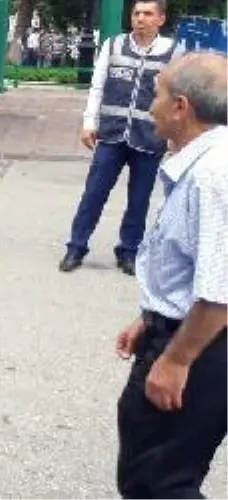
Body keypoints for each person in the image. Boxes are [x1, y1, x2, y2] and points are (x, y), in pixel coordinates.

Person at [113, 53, 228, 498]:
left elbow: (220, 290)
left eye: (157, 95)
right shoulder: (206, 160)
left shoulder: (213, 176)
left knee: (161, 483)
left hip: (203, 347)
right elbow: (194, 262)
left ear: (182, 107)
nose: (150, 105)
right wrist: (152, 316)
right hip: (186, 331)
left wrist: (178, 359)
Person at [60, 0, 185, 276]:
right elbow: (98, 85)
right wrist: (89, 122)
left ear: (161, 19)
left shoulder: (173, 52)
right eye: (137, 13)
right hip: (112, 135)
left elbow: (178, 96)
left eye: (148, 14)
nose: (140, 18)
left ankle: (129, 251)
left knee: (139, 200)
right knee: (94, 193)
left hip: (150, 137)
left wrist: (175, 134)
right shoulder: (114, 45)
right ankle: (76, 247)